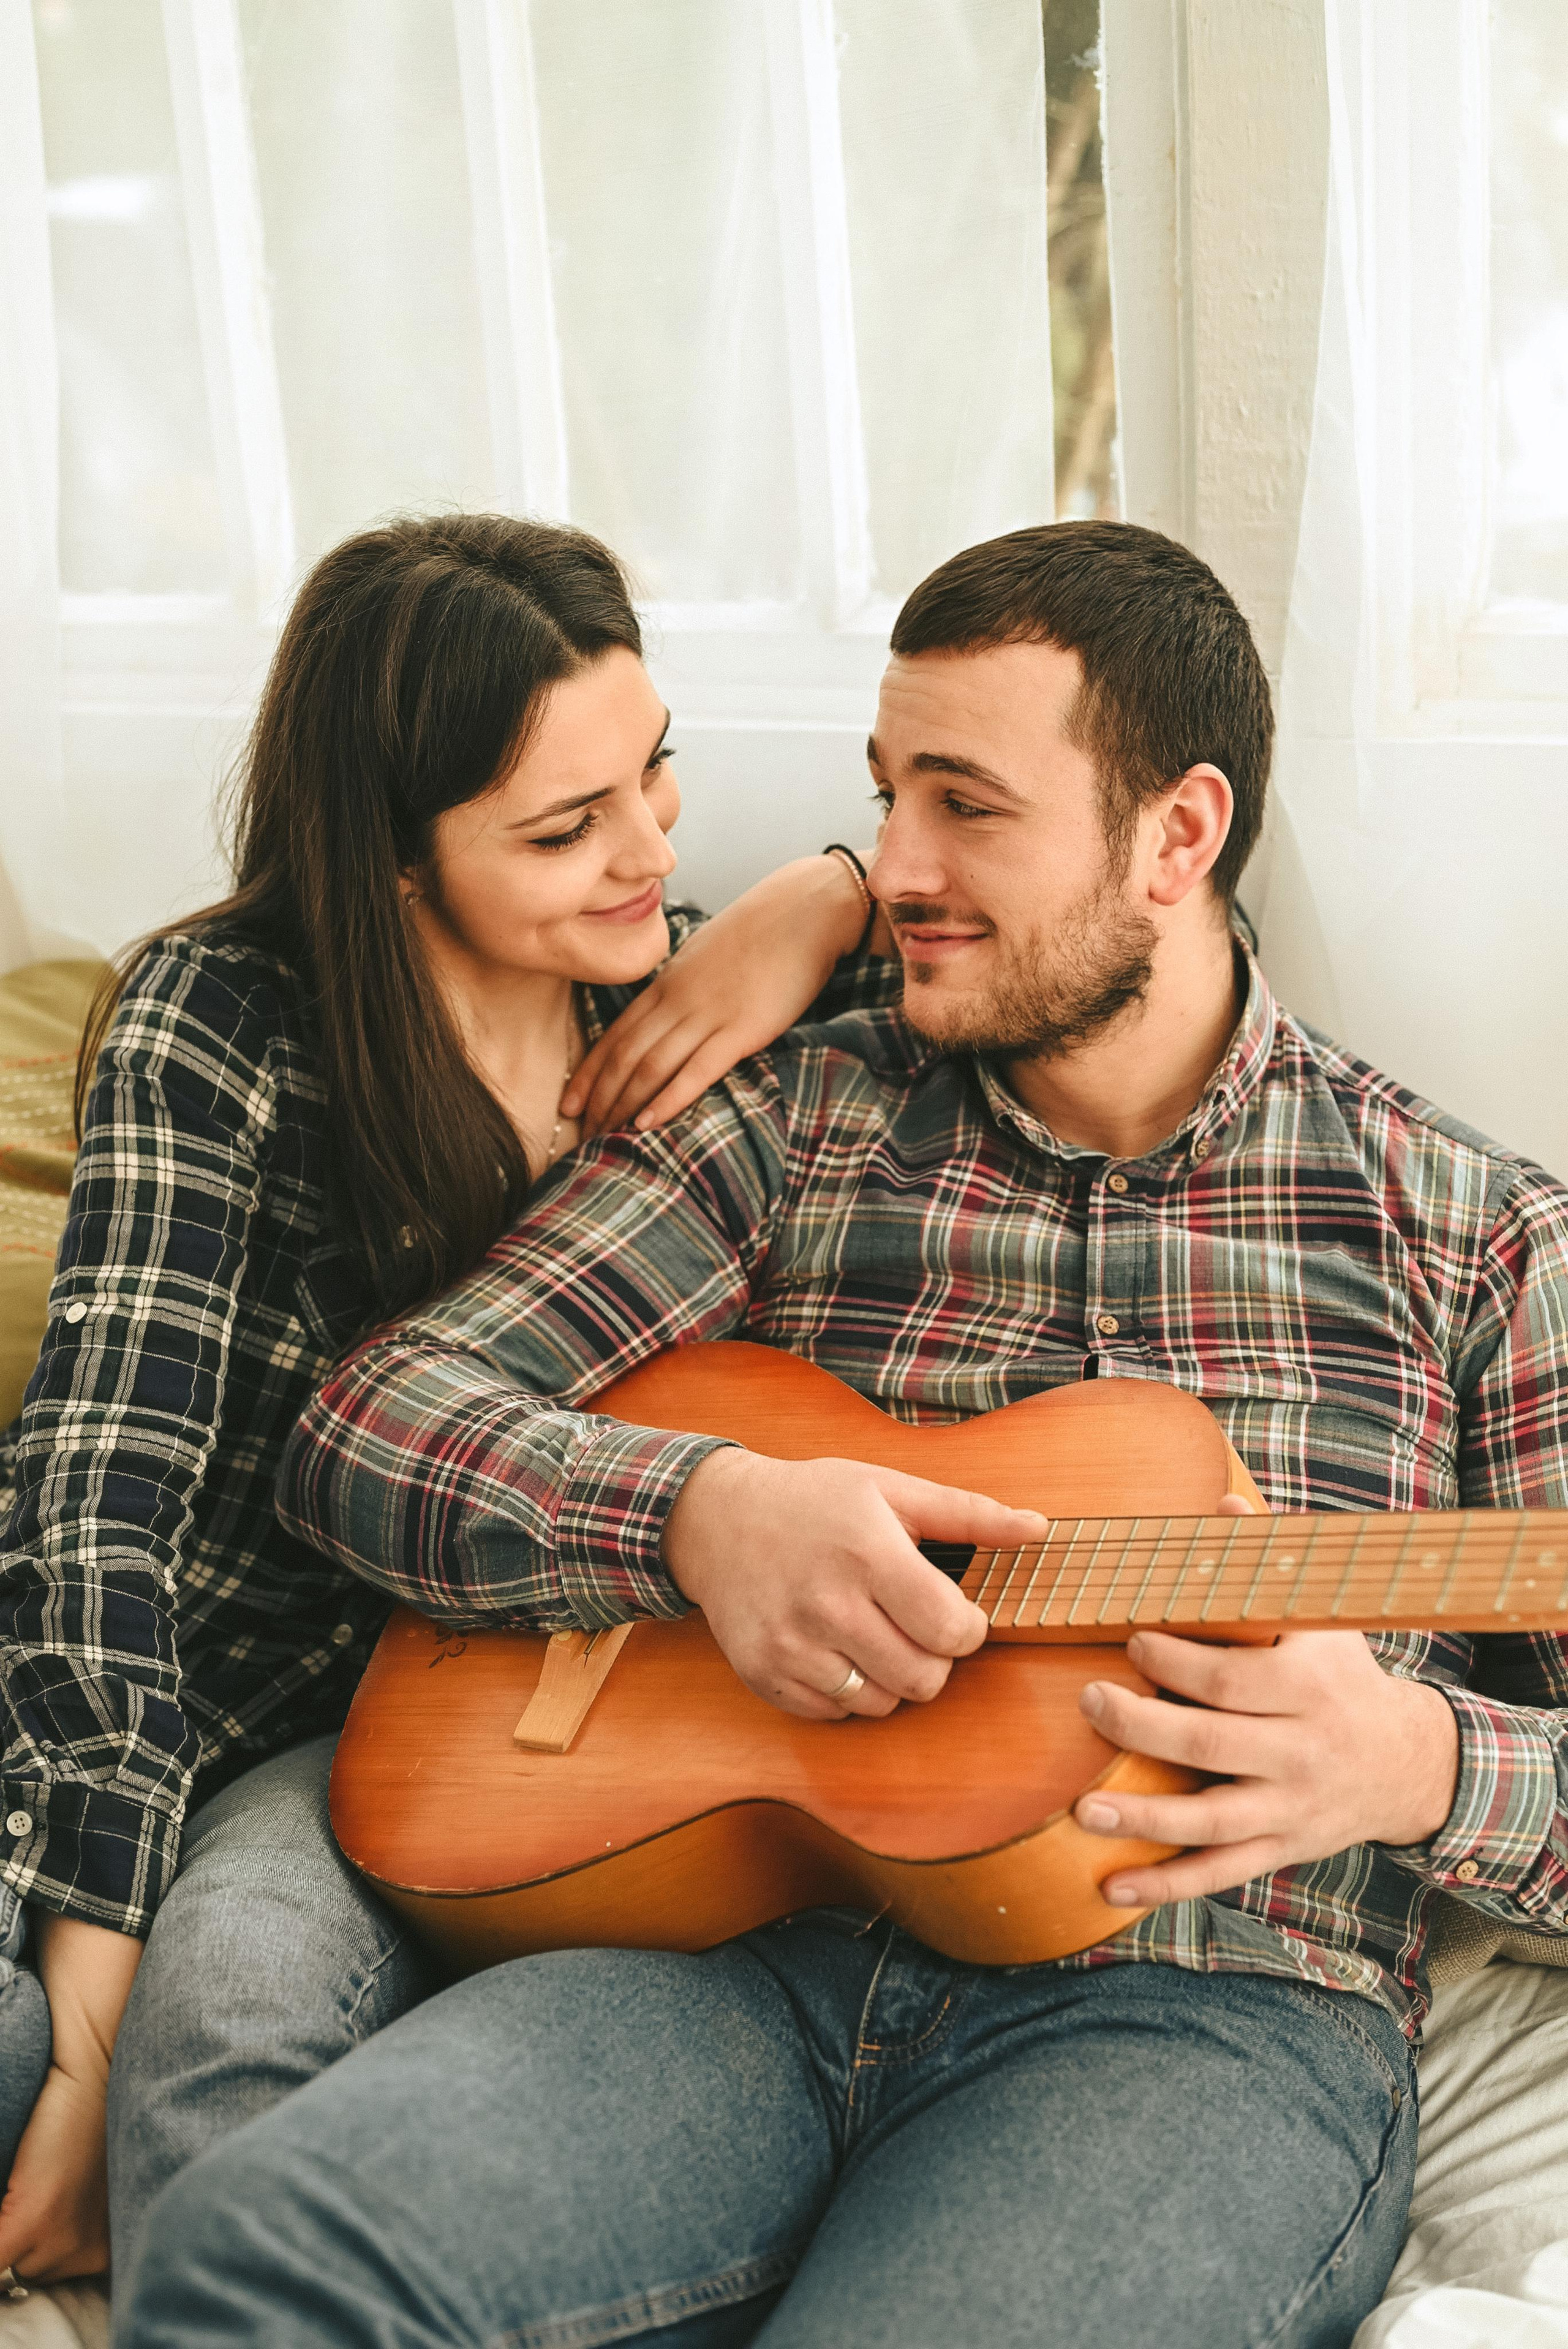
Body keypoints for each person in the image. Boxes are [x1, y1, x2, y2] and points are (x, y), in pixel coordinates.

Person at [123, 520, 1568, 2349]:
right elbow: (370, 1425)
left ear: (1177, 838)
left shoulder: (1477, 1238)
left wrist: (1427, 1766)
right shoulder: (794, 1121)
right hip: (723, 1956)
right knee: (251, 2252)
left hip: (1192, 2014)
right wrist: (699, 1513)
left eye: (965, 805)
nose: (891, 869)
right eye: (884, 796)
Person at [0, 512, 896, 2298]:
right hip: (159, 1709)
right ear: (394, 854)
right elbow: (97, 1507)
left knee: (231, 2032)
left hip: (460, 1724)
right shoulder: (225, 1017)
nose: (646, 851)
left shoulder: (693, 1002)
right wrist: (89, 2008)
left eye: (657, 778)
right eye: (568, 829)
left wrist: (834, 893)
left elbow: (1116, 911)